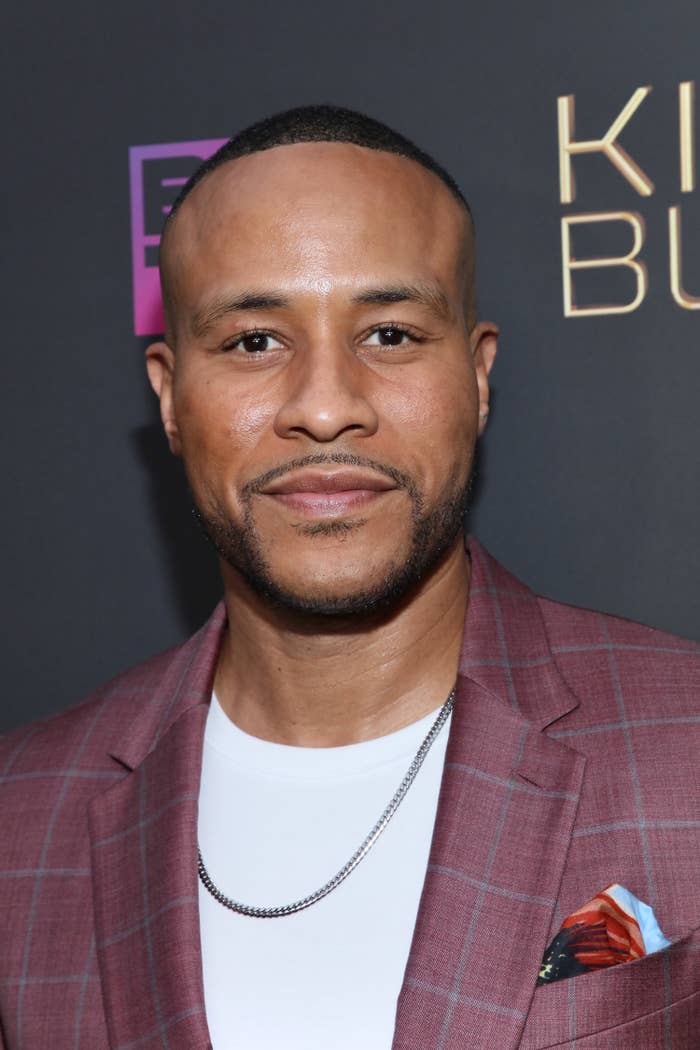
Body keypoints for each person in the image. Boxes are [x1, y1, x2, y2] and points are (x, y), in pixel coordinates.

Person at [1, 105, 698, 1050]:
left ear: (479, 376)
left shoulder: (684, 745)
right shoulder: (22, 812)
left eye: (391, 335)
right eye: (254, 341)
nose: (326, 408)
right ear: (169, 398)